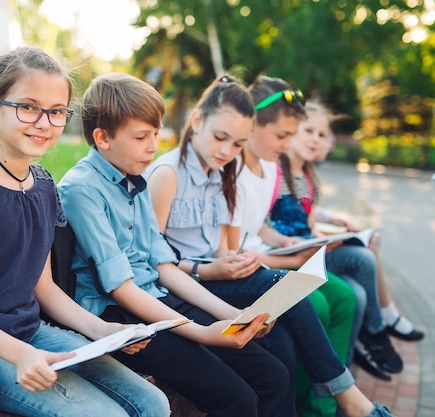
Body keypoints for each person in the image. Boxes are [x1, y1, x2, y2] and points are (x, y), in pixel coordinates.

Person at [0, 46, 171, 417]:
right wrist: (21, 354)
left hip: (31, 330)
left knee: (153, 403)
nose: (43, 122)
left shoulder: (43, 186)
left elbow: (44, 287)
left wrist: (101, 331)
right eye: (28, 107)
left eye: (56, 112)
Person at [145, 75, 395, 417]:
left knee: (283, 349)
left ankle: (333, 400)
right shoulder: (167, 174)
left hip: (215, 275)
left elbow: (219, 246)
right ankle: (348, 397)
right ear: (197, 120)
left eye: (236, 144)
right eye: (221, 138)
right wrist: (210, 268)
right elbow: (154, 261)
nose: (226, 151)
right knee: (284, 286)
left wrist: (231, 260)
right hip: (187, 284)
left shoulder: (218, 173)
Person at [58, 72, 289, 417]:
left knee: (274, 375)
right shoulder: (82, 190)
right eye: (142, 137)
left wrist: (229, 315)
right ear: (102, 137)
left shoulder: (132, 177)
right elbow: (120, 288)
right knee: (237, 399)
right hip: (121, 316)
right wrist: (203, 333)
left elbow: (163, 266)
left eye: (155, 133)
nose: (153, 145)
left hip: (156, 298)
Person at [311, 108, 425, 343]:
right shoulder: (285, 173)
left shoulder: (305, 173)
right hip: (299, 248)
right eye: (310, 132)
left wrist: (330, 218)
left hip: (307, 243)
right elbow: (292, 213)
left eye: (323, 135)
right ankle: (377, 328)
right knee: (362, 264)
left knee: (367, 245)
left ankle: (383, 318)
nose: (318, 141)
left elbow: (306, 209)